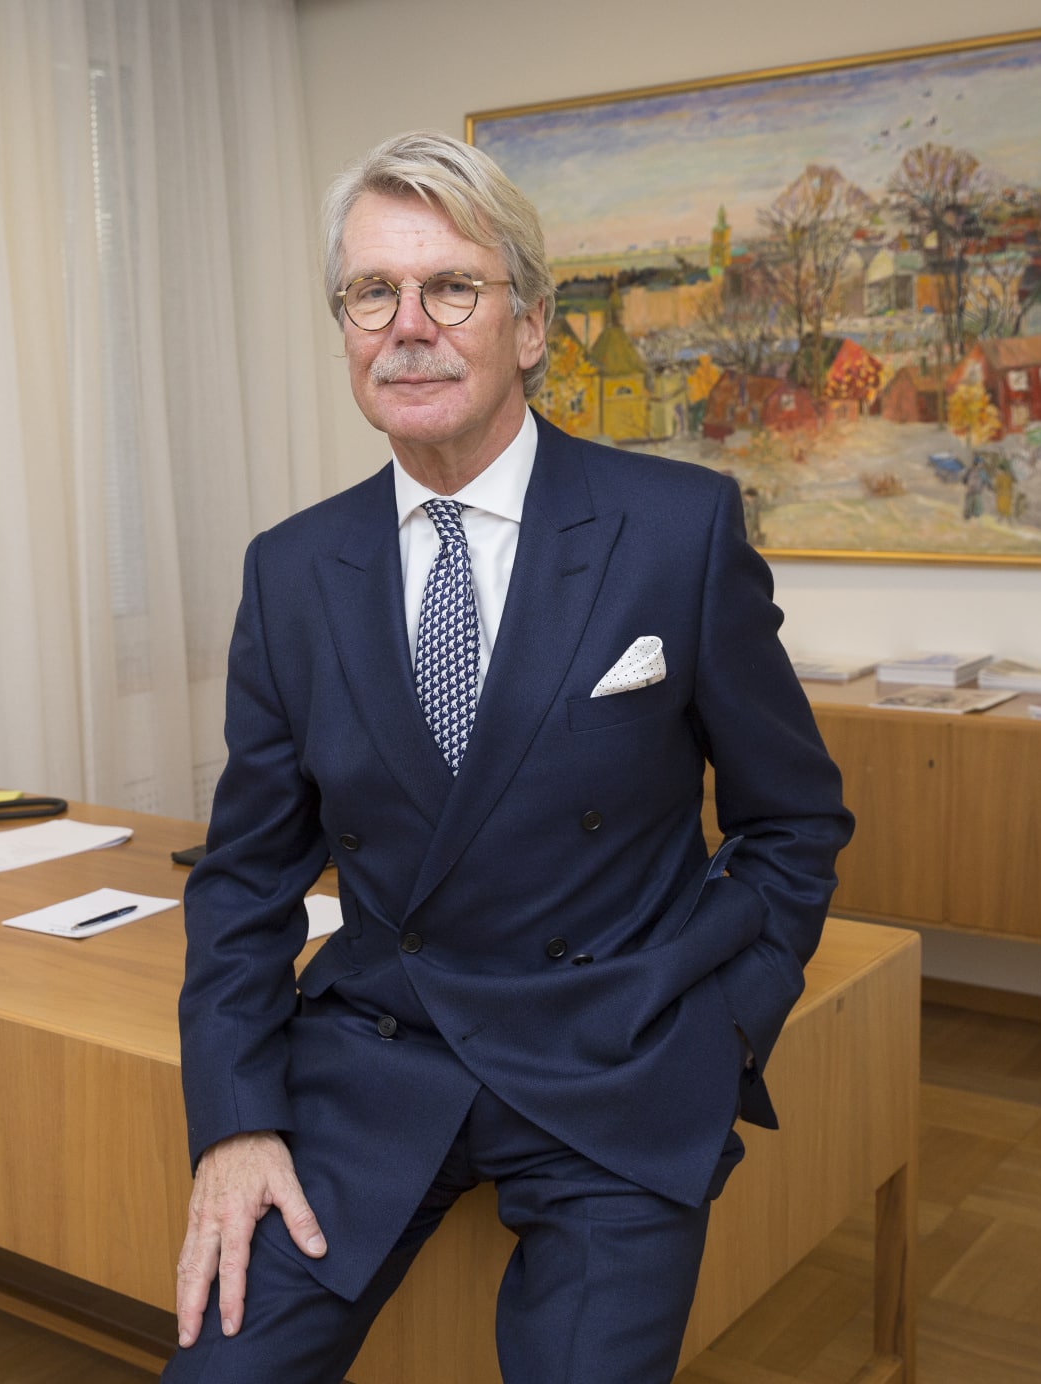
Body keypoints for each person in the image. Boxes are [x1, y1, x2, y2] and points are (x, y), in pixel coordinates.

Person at [166, 131, 852, 1384]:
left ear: (529, 326)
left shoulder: (673, 531)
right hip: (377, 1061)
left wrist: (725, 1029)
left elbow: (792, 821)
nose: (406, 326)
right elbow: (244, 878)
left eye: (450, 289)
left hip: (615, 1063)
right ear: (343, 330)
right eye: (371, 292)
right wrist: (234, 1119)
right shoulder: (290, 571)